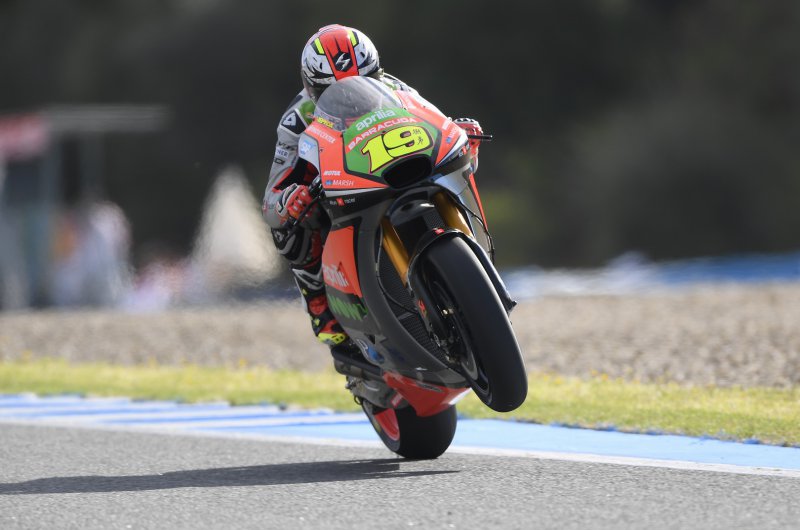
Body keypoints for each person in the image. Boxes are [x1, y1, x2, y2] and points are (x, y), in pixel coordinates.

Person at [262, 24, 484, 350]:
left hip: (393, 164)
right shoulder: (296, 119)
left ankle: (473, 258)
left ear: (377, 72)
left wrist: (463, 137)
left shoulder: (395, 87)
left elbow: (438, 125)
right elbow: (271, 200)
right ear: (312, 87)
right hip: (340, 185)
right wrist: (288, 201)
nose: (351, 95)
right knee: (288, 226)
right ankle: (317, 300)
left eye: (365, 80)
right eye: (333, 90)